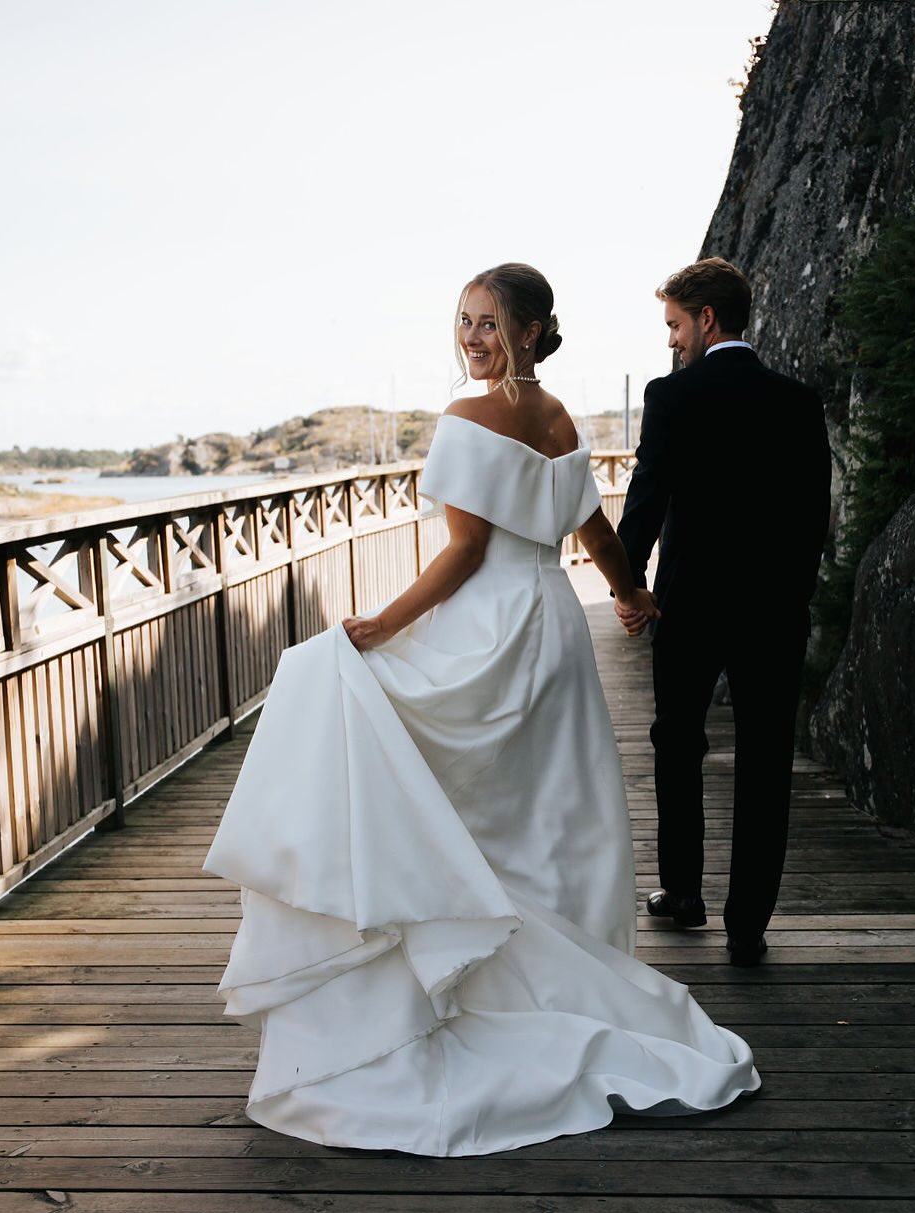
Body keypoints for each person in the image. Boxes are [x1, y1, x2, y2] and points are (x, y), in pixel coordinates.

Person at [203, 263, 759, 1157]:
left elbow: (463, 553)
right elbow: (597, 532)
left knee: (366, 716)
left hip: (493, 627)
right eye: (464, 321)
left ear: (532, 330)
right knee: (548, 815)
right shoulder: (562, 418)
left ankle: (465, 970)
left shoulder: (467, 419)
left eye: (490, 323)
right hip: (555, 629)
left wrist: (380, 623)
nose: (472, 338)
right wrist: (633, 596)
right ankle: (560, 971)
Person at [615, 257, 831, 967]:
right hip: (774, 612)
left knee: (678, 743)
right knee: (766, 761)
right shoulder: (799, 401)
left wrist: (629, 588)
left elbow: (645, 499)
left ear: (707, 319)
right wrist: (789, 601)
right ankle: (747, 926)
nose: (672, 341)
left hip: (690, 607)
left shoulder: (673, 398)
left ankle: (683, 894)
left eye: (675, 325)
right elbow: (813, 520)